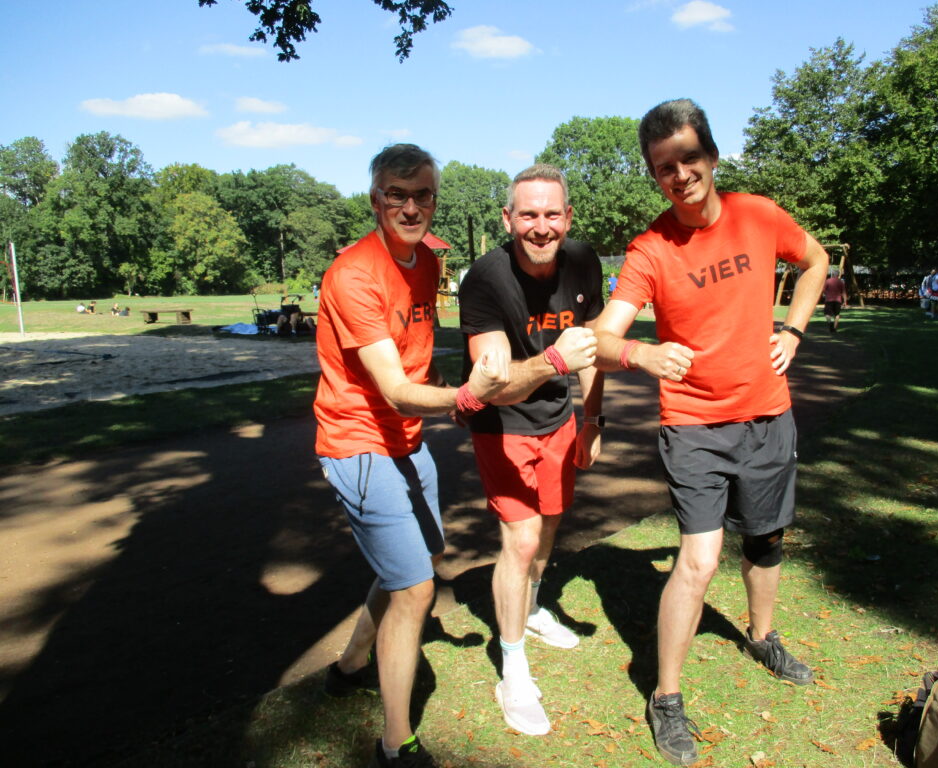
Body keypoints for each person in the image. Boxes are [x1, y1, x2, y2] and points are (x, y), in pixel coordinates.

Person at [592, 98, 828, 766]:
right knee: (698, 560)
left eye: (689, 158)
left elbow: (814, 261)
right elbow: (601, 339)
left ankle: (762, 636)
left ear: (713, 157)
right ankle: (666, 697)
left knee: (766, 538)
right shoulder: (650, 249)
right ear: (654, 175)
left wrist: (793, 330)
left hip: (767, 413)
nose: (680, 175)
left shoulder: (759, 214)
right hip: (693, 424)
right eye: (664, 167)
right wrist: (641, 354)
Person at [314, 143, 509, 768]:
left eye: (422, 195)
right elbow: (395, 388)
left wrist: (458, 386)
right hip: (360, 444)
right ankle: (395, 745)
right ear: (376, 200)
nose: (410, 207)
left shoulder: (426, 261)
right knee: (416, 590)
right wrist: (467, 396)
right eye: (396, 195)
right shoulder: (353, 274)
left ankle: (349, 667)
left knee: (422, 560)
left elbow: (420, 355)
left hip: (406, 441)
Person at [459, 164, 604, 736]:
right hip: (502, 424)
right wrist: (555, 361)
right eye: (528, 215)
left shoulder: (583, 261)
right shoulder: (485, 280)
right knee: (520, 539)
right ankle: (513, 669)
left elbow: (593, 347)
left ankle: (535, 606)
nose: (540, 227)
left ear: (567, 217)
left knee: (549, 525)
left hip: (559, 418)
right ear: (507, 218)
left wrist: (592, 418)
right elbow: (493, 386)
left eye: (551, 214)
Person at [822, 269, 847, 333]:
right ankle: (834, 328)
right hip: (838, 300)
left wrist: (826, 293)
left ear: (832, 274)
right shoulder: (841, 282)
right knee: (837, 314)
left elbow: (823, 290)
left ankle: (830, 324)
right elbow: (844, 292)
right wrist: (845, 301)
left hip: (829, 300)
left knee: (827, 314)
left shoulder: (828, 281)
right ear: (838, 275)